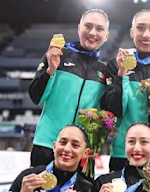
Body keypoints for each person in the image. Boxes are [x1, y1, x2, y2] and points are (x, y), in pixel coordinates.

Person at [28, 9, 110, 167]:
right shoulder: (58, 55)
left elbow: (105, 115)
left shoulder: (105, 71)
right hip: (47, 144)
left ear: (106, 36)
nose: (93, 32)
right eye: (88, 26)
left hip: (82, 150)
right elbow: (35, 97)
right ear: (79, 28)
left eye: (99, 29)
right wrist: (51, 69)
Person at [101, 9, 150, 171]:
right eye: (140, 28)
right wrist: (121, 74)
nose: (146, 34)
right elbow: (114, 110)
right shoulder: (115, 65)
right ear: (131, 32)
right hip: (124, 150)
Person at [0, 125, 99, 192]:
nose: (67, 149)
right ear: (54, 146)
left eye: (75, 145)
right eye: (63, 142)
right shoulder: (29, 178)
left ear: (86, 153)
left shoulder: (88, 189)